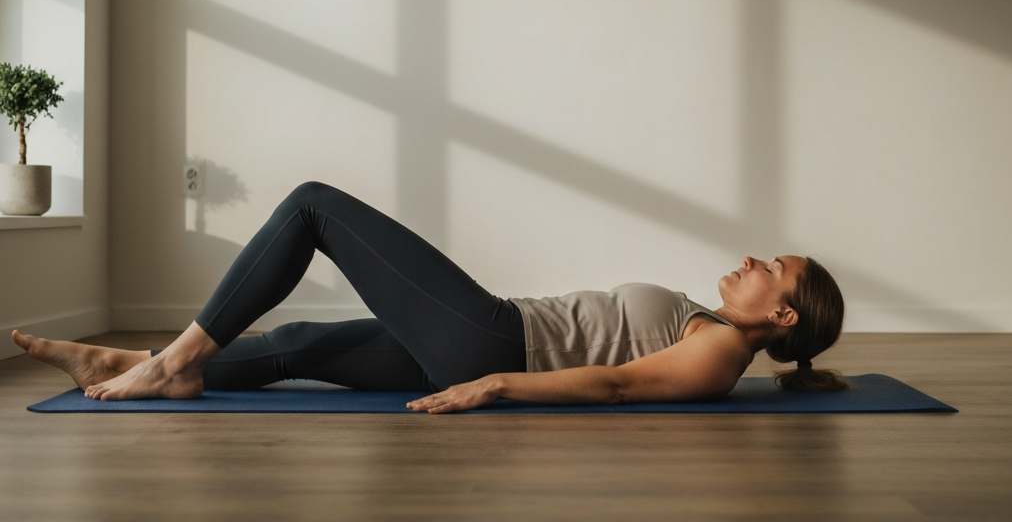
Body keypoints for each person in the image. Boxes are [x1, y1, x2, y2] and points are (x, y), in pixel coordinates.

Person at [13, 181, 848, 413]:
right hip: (490, 338)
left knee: (314, 206)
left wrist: (498, 383)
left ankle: (177, 358)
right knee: (302, 343)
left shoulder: (716, 356)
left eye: (771, 267)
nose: (750, 260)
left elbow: (616, 385)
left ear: (782, 314)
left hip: (495, 344)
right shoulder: (714, 332)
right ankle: (150, 366)